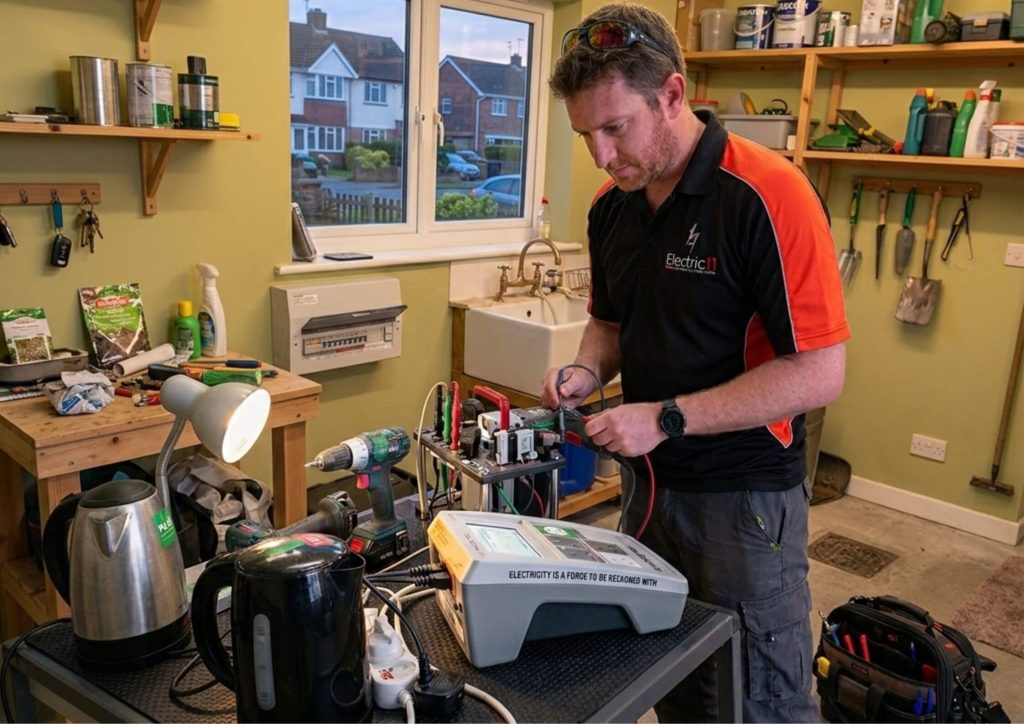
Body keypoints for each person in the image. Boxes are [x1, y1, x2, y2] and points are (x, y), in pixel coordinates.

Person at [543, 4, 850, 722]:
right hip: (649, 488)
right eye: (585, 133)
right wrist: (586, 372)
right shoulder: (610, 205)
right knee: (668, 675)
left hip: (743, 503)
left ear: (673, 96)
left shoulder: (768, 195)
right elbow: (610, 322)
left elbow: (819, 373)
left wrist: (668, 417)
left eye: (615, 127)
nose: (600, 154)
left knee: (757, 695)